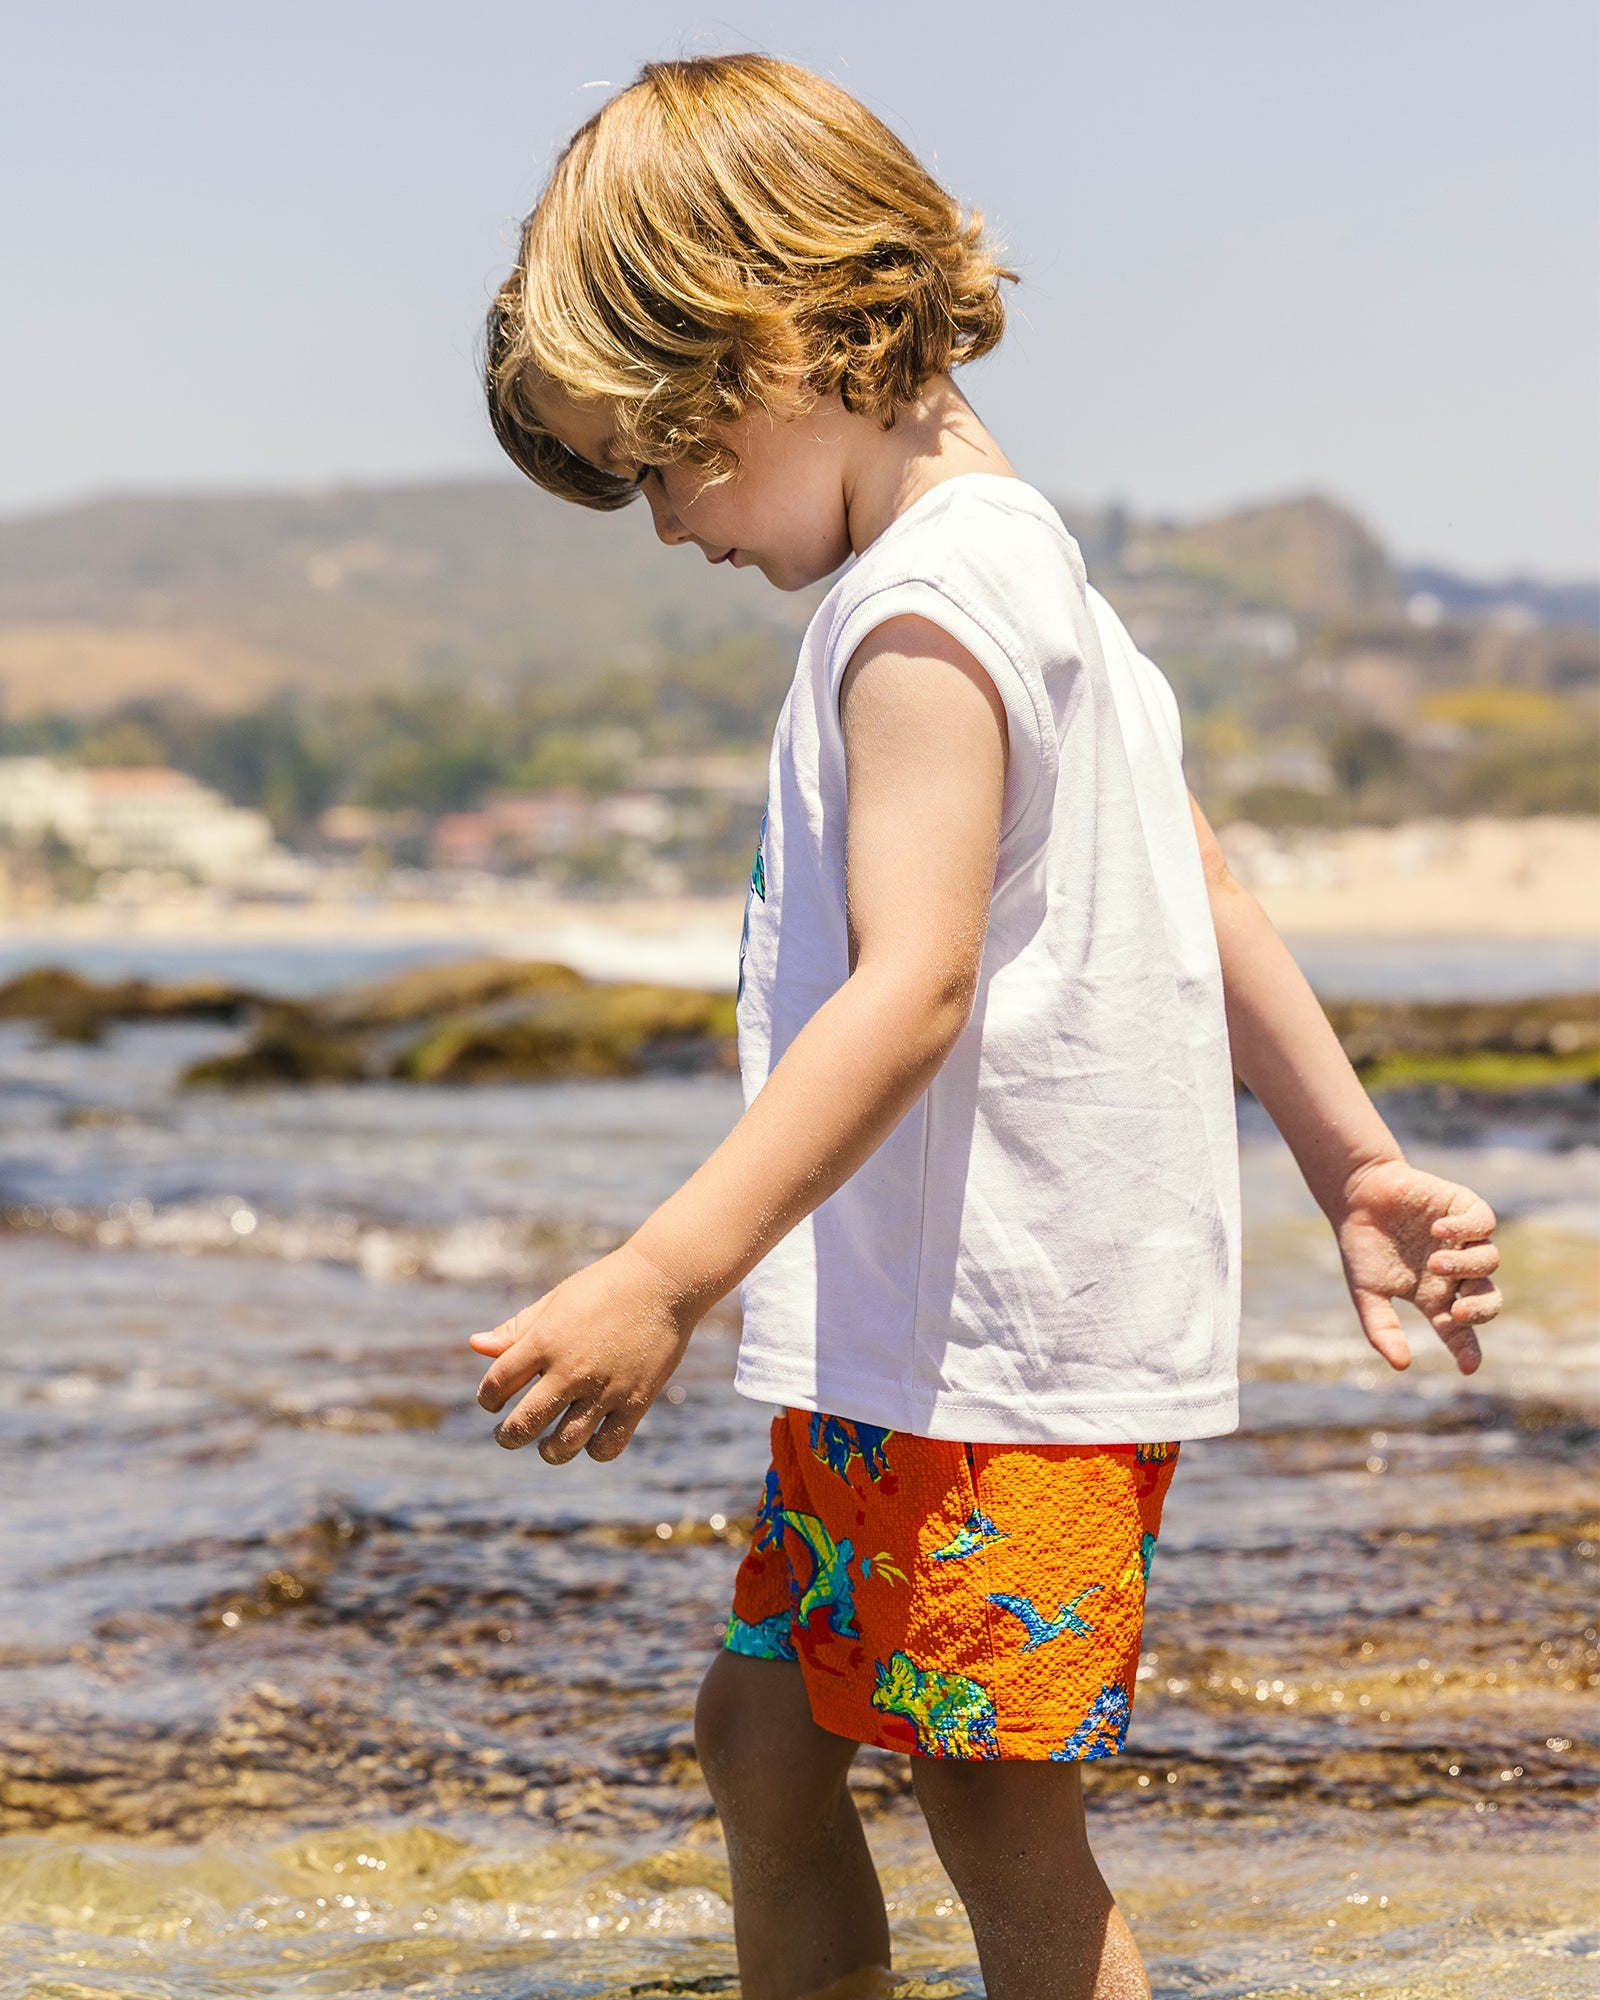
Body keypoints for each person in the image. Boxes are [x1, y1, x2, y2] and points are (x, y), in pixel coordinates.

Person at [471, 54, 1502, 2000]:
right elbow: (1201, 888)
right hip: (917, 1334)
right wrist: (1352, 1162)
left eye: (662, 457)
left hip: (1001, 1351)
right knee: (764, 1731)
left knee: (991, 1799)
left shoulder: (923, 615)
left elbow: (915, 987)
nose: (665, 522)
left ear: (770, 341)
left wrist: (661, 1277)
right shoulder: (1031, 578)